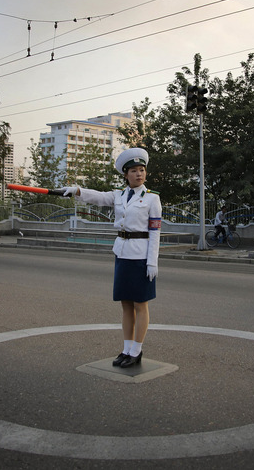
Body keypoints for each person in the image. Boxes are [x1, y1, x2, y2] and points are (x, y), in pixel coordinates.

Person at [62, 148, 161, 368]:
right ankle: (126, 349)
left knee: (140, 305)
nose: (139, 174)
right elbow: (97, 197)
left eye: (142, 170)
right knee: (126, 304)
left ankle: (137, 350)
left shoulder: (153, 199)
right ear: (126, 175)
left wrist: (152, 261)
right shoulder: (119, 195)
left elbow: (155, 232)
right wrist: (76, 190)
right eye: (134, 170)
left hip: (141, 256)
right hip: (122, 254)